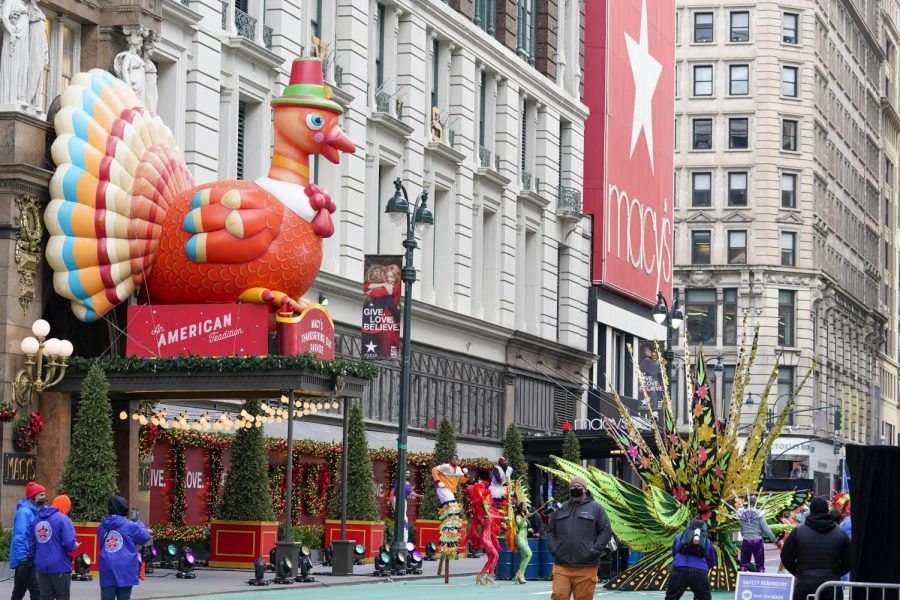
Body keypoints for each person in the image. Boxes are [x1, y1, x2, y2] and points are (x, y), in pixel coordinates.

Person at [546, 476, 613, 600]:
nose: (575, 488)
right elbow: (550, 530)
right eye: (572, 486)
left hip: (586, 567)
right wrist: (554, 548)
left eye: (578, 487)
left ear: (585, 489)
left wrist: (595, 550)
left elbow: (606, 530)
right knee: (558, 596)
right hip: (562, 565)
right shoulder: (561, 508)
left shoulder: (596, 508)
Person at [780, 496, 851, 600]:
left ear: (811, 511)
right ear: (827, 511)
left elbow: (786, 557)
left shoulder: (798, 532)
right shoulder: (840, 533)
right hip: (832, 585)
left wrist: (800, 573)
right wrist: (836, 573)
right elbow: (849, 560)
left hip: (805, 585)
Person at [98, 496, 151, 600]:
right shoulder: (131, 526)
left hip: (107, 566)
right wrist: (138, 521)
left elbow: (101, 544)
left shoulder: (102, 526)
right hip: (126, 567)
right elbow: (145, 537)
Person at [30, 495, 76, 600]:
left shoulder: (37, 519)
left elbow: (31, 544)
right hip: (59, 566)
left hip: (41, 566)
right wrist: (74, 545)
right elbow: (69, 543)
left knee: (46, 597)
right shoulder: (63, 519)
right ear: (66, 507)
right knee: (62, 596)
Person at [10, 481, 46, 600]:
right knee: (37, 592)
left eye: (44, 494)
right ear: (32, 497)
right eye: (40, 495)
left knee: (18, 592)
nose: (44, 497)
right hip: (26, 560)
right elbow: (20, 537)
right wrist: (23, 561)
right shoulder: (24, 512)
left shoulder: (34, 511)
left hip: (28, 559)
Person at [665, 519, 716, 600]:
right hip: (699, 571)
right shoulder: (707, 541)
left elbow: (675, 553)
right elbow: (711, 559)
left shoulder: (679, 537)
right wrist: (705, 568)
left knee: (671, 597)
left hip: (680, 568)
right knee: (704, 597)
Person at [431, 455, 469, 558]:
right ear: (450, 460)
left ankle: (450, 529)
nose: (455, 461)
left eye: (457, 459)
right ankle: (451, 525)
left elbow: (462, 480)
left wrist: (466, 475)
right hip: (443, 489)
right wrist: (438, 481)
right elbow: (434, 470)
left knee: (453, 513)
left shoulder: (458, 469)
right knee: (453, 506)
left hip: (450, 491)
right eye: (453, 459)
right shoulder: (445, 466)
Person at [736, 495, 778, 572]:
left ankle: (741, 580)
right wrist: (773, 538)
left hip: (746, 540)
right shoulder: (759, 513)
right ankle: (760, 580)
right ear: (756, 502)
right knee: (760, 564)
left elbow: (741, 527)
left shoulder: (741, 512)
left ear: (746, 502)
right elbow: (765, 528)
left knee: (744, 564)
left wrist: (743, 534)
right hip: (757, 540)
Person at [390, 469, 422, 543]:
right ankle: (402, 533)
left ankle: (404, 534)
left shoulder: (407, 483)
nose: (407, 474)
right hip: (396, 499)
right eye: (406, 473)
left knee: (405, 517)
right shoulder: (397, 481)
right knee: (402, 516)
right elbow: (392, 491)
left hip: (403, 500)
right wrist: (390, 499)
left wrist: (418, 495)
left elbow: (411, 492)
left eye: (408, 473)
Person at [514, 502, 533, 584]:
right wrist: (525, 517)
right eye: (524, 505)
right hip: (520, 538)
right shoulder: (518, 516)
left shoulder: (524, 516)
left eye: (526, 505)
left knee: (525, 556)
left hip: (525, 539)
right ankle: (520, 574)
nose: (526, 507)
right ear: (520, 507)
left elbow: (524, 527)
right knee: (529, 554)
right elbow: (518, 525)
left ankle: (520, 575)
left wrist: (530, 530)